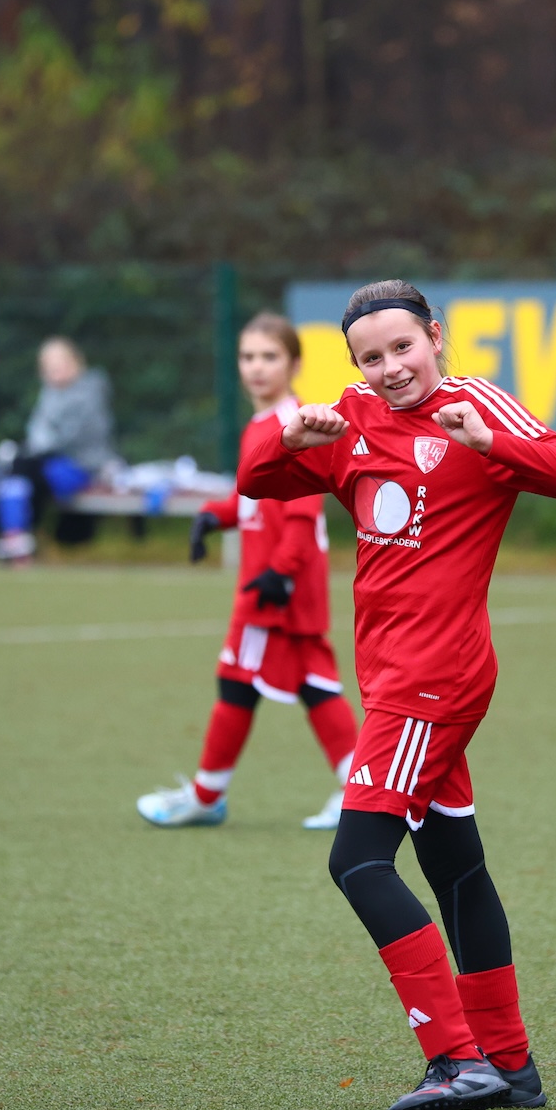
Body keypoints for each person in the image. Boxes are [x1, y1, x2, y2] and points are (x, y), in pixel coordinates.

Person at [240, 280, 556, 1110]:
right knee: (455, 865)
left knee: (358, 861)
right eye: (371, 356)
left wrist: (492, 443)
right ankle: (508, 1062)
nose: (391, 367)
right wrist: (291, 434)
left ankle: (455, 1058)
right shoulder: (353, 418)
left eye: (403, 346)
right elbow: (257, 479)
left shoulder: (476, 405)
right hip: (397, 679)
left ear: (435, 336)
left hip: (431, 680)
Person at [135, 313, 359, 831]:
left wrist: (280, 573)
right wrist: (215, 516)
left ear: (294, 364)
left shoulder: (295, 422)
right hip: (282, 585)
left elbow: (302, 511)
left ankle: (206, 796)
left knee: (237, 680)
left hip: (275, 587)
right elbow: (255, 499)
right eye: (248, 357)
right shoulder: (261, 425)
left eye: (270, 357)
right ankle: (358, 791)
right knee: (315, 684)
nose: (257, 367)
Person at [0, 337, 118, 562]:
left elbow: (70, 438)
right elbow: (37, 432)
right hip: (47, 465)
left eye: (60, 363)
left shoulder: (90, 394)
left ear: (76, 362)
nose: (55, 370)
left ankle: (21, 538)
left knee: (26, 471)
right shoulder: (49, 394)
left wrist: (37, 449)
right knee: (18, 473)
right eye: (49, 366)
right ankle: (15, 539)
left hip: (83, 468)